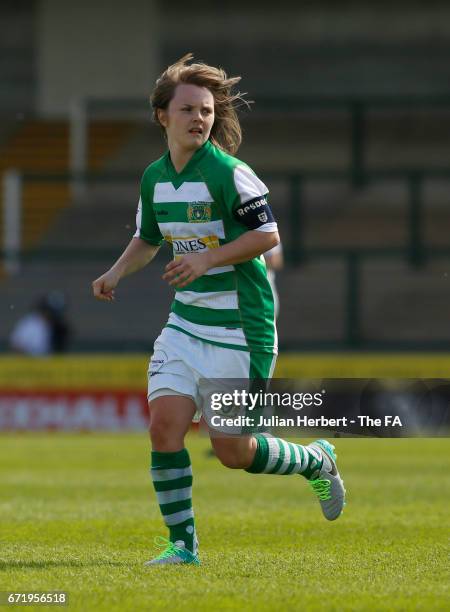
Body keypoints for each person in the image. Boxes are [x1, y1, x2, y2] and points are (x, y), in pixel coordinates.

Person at [92, 54, 345, 566]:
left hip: (241, 328)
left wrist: (208, 256)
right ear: (163, 115)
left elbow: (268, 234)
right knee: (164, 428)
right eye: (188, 109)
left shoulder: (231, 174)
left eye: (206, 110)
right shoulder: (154, 178)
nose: (199, 118)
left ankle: (316, 459)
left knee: (232, 452)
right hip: (185, 324)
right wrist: (116, 272)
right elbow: (147, 238)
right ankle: (182, 547)